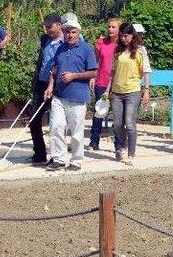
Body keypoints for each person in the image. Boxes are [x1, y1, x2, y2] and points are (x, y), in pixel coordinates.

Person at [44, 19, 98, 171]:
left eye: (73, 32)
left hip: (77, 96)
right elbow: (54, 70)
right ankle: (59, 158)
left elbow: (94, 72)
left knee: (76, 131)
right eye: (67, 32)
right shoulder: (60, 49)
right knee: (56, 127)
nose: (70, 35)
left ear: (78, 33)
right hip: (59, 95)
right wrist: (50, 86)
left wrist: (74, 76)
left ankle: (76, 160)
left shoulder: (86, 49)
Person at [104, 23, 151, 163]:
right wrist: (108, 90)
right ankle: (122, 144)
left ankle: (131, 153)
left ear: (132, 36)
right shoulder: (117, 51)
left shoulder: (140, 51)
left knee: (130, 123)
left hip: (133, 91)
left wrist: (146, 90)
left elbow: (146, 71)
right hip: (117, 92)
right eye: (122, 36)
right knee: (117, 123)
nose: (124, 38)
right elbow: (112, 72)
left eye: (127, 36)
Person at [29, 13, 64, 165]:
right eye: (46, 27)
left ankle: (56, 156)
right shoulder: (45, 40)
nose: (48, 30)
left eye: (50, 27)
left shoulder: (66, 41)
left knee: (56, 123)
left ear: (59, 25)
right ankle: (39, 153)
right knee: (34, 120)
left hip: (58, 86)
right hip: (41, 83)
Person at [88, 18, 121, 151]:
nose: (110, 29)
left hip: (118, 83)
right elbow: (95, 61)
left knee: (118, 115)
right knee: (99, 111)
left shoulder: (122, 44)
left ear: (119, 29)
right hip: (101, 81)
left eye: (113, 27)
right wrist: (92, 77)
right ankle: (94, 141)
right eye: (109, 27)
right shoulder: (101, 42)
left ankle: (118, 144)